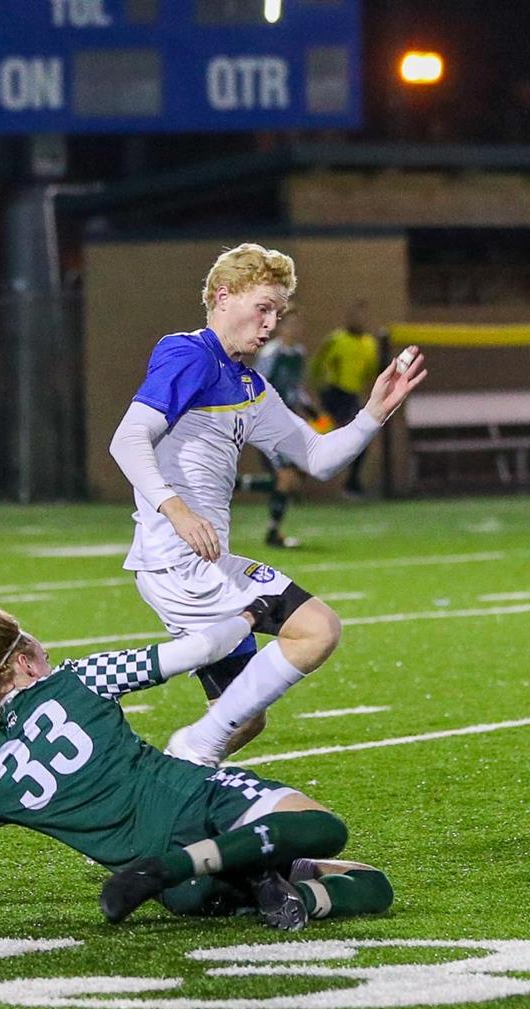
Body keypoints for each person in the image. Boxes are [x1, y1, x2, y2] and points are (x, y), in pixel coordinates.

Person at [0, 558, 394, 930]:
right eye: (36, 647)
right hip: (194, 802)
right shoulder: (79, 680)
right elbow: (195, 652)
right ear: (23, 663)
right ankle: (197, 864)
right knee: (329, 833)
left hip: (181, 895)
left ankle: (272, 890)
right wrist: (247, 616)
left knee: (349, 881)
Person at [108, 243, 426, 769]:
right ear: (222, 296)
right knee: (318, 628)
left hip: (200, 565)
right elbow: (127, 439)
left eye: (278, 312)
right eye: (263, 307)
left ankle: (161, 783)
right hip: (179, 564)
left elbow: (319, 459)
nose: (271, 322)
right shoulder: (190, 353)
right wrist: (177, 510)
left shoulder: (249, 385)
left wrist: (373, 413)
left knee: (244, 718)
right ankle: (184, 750)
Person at [250, 310, 315, 548]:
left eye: (298, 323)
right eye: (290, 323)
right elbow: (256, 388)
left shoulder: (298, 353)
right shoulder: (271, 353)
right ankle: (273, 533)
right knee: (286, 478)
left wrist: (314, 413)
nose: (295, 328)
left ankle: (235, 483)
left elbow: (295, 388)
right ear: (279, 326)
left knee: (292, 479)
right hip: (267, 426)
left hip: (287, 426)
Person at [309, 298, 382, 499]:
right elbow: (317, 366)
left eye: (362, 316)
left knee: (361, 439)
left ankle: (351, 484)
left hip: (351, 399)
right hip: (333, 395)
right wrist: (319, 392)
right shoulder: (336, 340)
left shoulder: (369, 344)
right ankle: (296, 479)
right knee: (320, 432)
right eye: (355, 315)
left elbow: (371, 374)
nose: (359, 319)